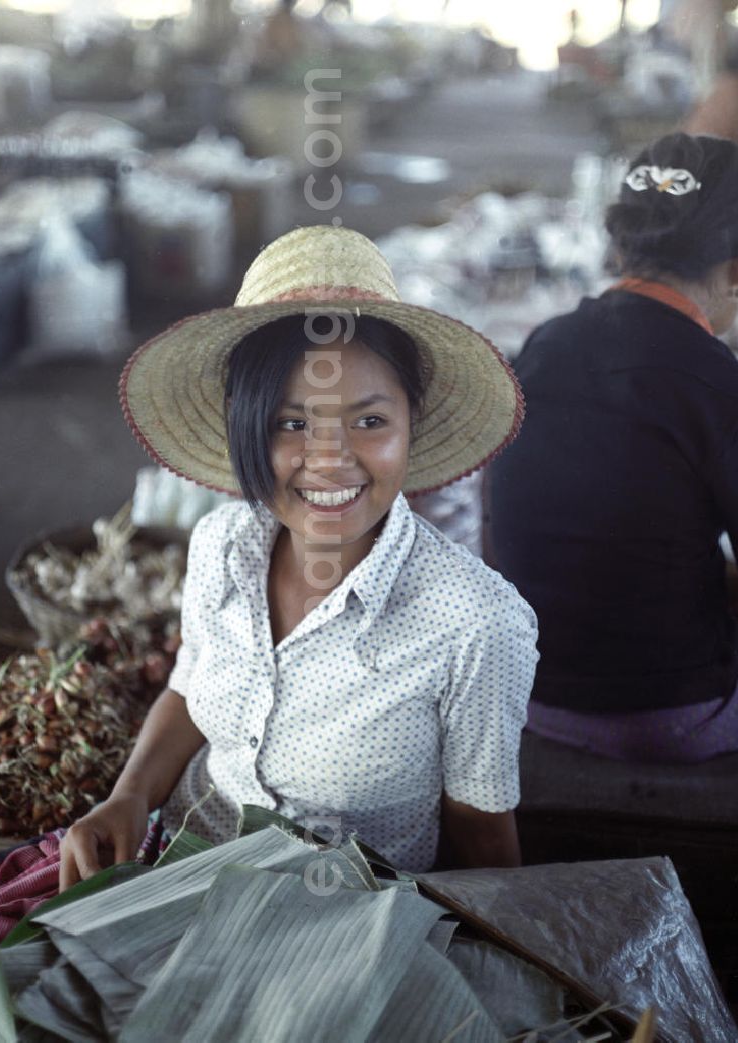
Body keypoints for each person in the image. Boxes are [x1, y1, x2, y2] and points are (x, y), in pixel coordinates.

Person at [63, 224, 537, 888]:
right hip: (172, 868)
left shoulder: (477, 623)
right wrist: (131, 795)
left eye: (369, 421)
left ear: (413, 424)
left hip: (336, 931)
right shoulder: (221, 543)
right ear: (246, 426)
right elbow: (188, 684)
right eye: (293, 423)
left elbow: (484, 839)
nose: (331, 460)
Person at [486, 133, 738, 769]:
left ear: (619, 245)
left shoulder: (541, 347)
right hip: (660, 707)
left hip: (525, 688)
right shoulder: (732, 393)